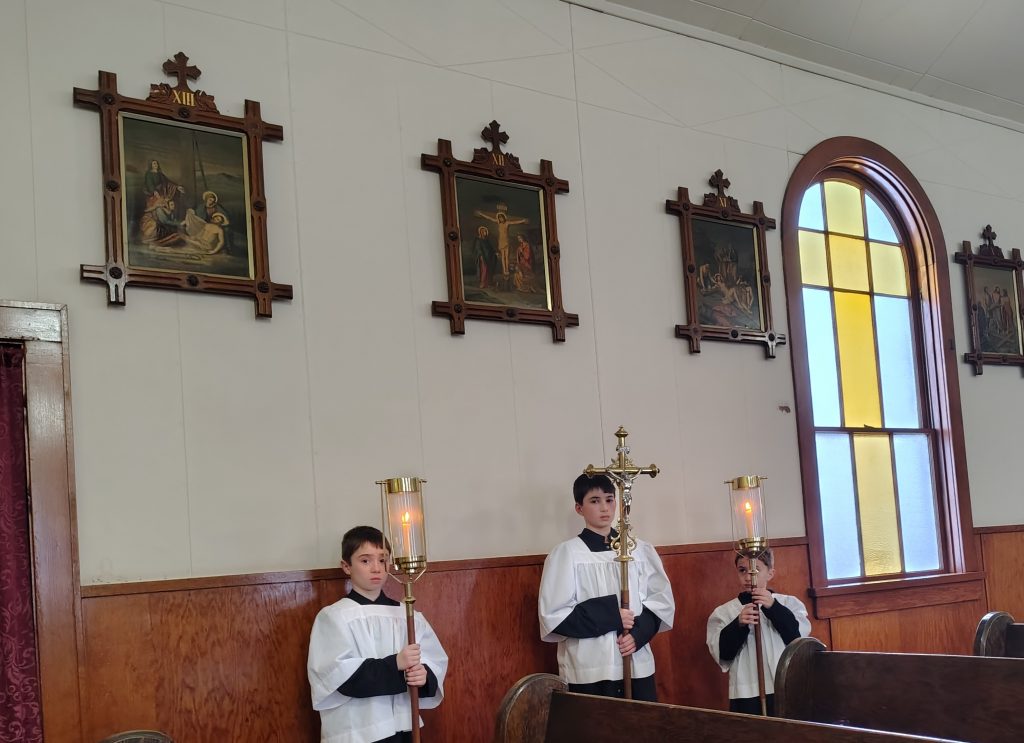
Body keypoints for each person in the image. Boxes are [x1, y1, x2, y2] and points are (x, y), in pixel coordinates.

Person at [538, 473, 675, 701]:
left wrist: (638, 634)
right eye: (594, 501)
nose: (604, 507)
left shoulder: (639, 550)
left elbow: (661, 601)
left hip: (635, 660)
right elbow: (554, 616)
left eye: (609, 499)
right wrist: (612, 615)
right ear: (579, 508)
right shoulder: (567, 554)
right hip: (591, 667)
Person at [308, 526, 448, 743]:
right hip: (357, 731)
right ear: (346, 566)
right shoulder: (334, 617)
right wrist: (396, 664)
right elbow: (337, 675)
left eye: (383, 560)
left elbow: (434, 661)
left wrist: (424, 676)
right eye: (365, 561)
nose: (376, 568)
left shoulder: (407, 614)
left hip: (403, 727)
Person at [705, 550, 811, 716]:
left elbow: (797, 638)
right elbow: (722, 653)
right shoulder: (724, 612)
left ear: (770, 573)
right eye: (742, 570)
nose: (748, 577)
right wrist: (738, 624)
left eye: (755, 570)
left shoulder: (789, 604)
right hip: (748, 689)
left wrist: (773, 607)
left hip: (784, 684)